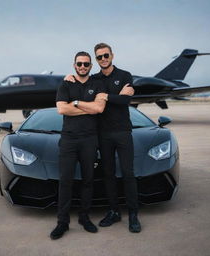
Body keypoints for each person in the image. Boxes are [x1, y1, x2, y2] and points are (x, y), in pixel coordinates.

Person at [65, 43, 141, 233]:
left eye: (105, 55)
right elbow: (82, 87)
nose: (103, 59)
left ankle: (133, 215)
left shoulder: (124, 75)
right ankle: (114, 211)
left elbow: (126, 100)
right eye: (99, 57)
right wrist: (69, 78)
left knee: (128, 173)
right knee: (108, 175)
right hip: (102, 134)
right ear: (95, 60)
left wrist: (106, 96)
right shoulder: (95, 79)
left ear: (112, 55)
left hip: (123, 132)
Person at [50, 51, 106, 240]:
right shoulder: (65, 84)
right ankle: (62, 222)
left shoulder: (97, 84)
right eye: (79, 64)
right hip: (69, 140)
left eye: (86, 64)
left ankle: (84, 217)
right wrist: (87, 108)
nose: (83, 66)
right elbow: (61, 109)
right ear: (74, 65)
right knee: (65, 181)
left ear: (91, 66)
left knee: (88, 180)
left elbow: (99, 108)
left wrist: (75, 104)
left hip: (90, 140)